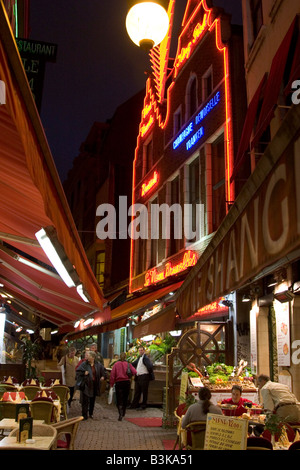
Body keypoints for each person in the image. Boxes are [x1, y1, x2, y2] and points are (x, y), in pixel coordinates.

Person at [76, 350, 107, 420]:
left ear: (93, 357)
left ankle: (91, 413)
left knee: (92, 400)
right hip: (86, 384)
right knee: (85, 400)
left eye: (89, 356)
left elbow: (104, 371)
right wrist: (84, 373)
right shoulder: (84, 364)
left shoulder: (98, 364)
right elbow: (78, 372)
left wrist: (103, 376)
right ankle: (84, 415)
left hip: (94, 384)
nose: (87, 357)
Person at [110, 352, 137, 421]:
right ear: (125, 357)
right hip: (126, 382)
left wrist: (111, 384)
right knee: (125, 398)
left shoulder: (116, 364)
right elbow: (134, 372)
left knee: (119, 398)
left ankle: (120, 413)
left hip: (118, 383)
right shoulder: (128, 364)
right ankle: (124, 412)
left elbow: (112, 375)